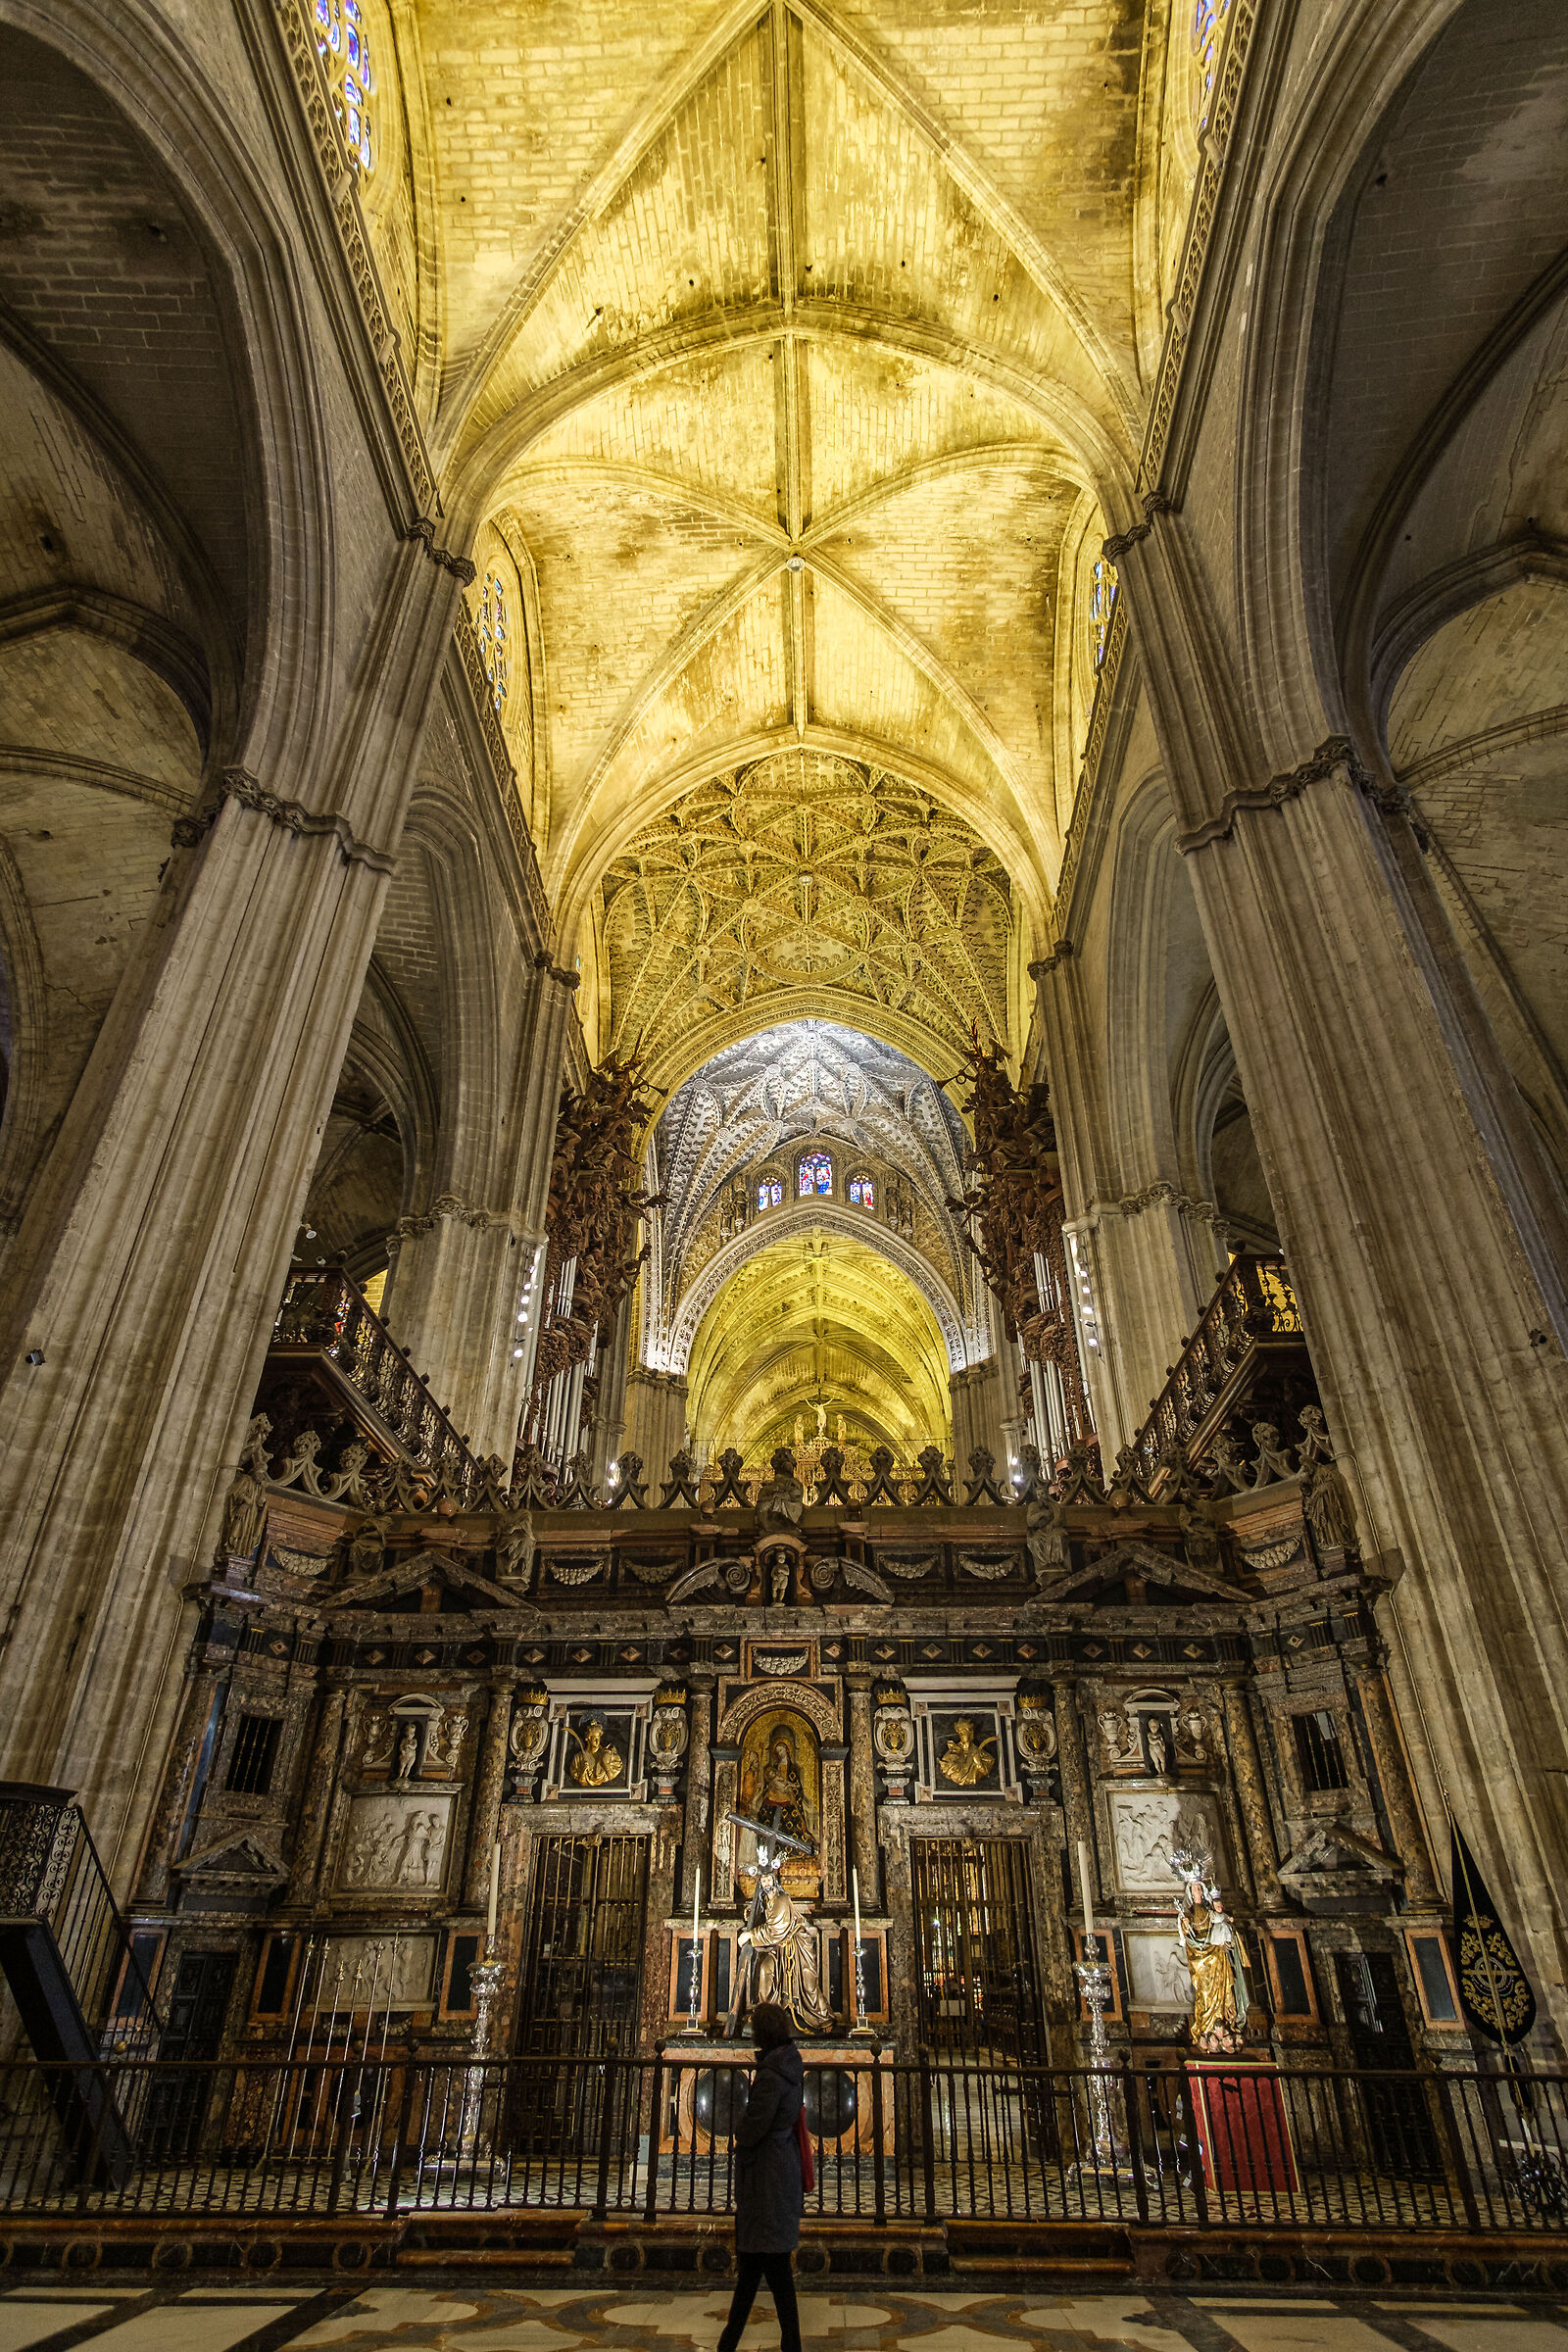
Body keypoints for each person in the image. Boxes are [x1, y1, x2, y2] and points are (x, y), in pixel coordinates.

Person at [717, 2002, 806, 2352]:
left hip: (766, 2181)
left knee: (763, 2271)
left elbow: (754, 2127)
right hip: (773, 2178)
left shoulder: (772, 2075)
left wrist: (740, 2125)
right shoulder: (788, 2067)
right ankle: (783, 2344)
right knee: (765, 2272)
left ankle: (732, 2344)